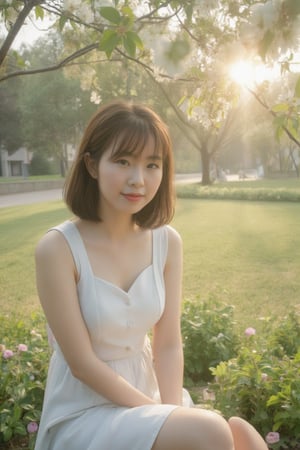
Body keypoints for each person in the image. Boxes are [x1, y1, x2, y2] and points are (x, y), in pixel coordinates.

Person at [34, 100, 268, 450]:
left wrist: (170, 411)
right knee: (213, 433)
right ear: (92, 165)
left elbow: (168, 344)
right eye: (123, 161)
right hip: (84, 410)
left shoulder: (167, 242)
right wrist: (159, 414)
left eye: (152, 165)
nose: (138, 179)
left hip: (149, 394)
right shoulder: (57, 249)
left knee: (241, 435)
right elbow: (82, 364)